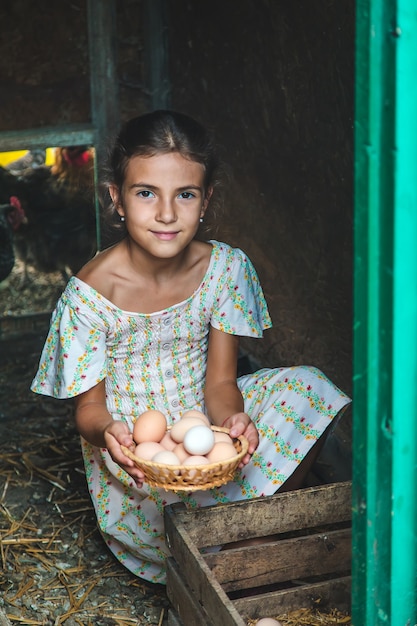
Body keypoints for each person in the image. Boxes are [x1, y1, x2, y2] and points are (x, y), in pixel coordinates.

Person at [31, 110, 351, 584]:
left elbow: (221, 382)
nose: (166, 214)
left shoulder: (225, 269)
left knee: (309, 389)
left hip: (201, 420)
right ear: (117, 199)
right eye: (146, 193)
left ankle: (256, 533)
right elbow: (88, 411)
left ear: (206, 200)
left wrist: (231, 422)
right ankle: (235, 540)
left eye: (185, 194)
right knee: (166, 504)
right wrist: (111, 435)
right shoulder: (90, 297)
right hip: (136, 454)